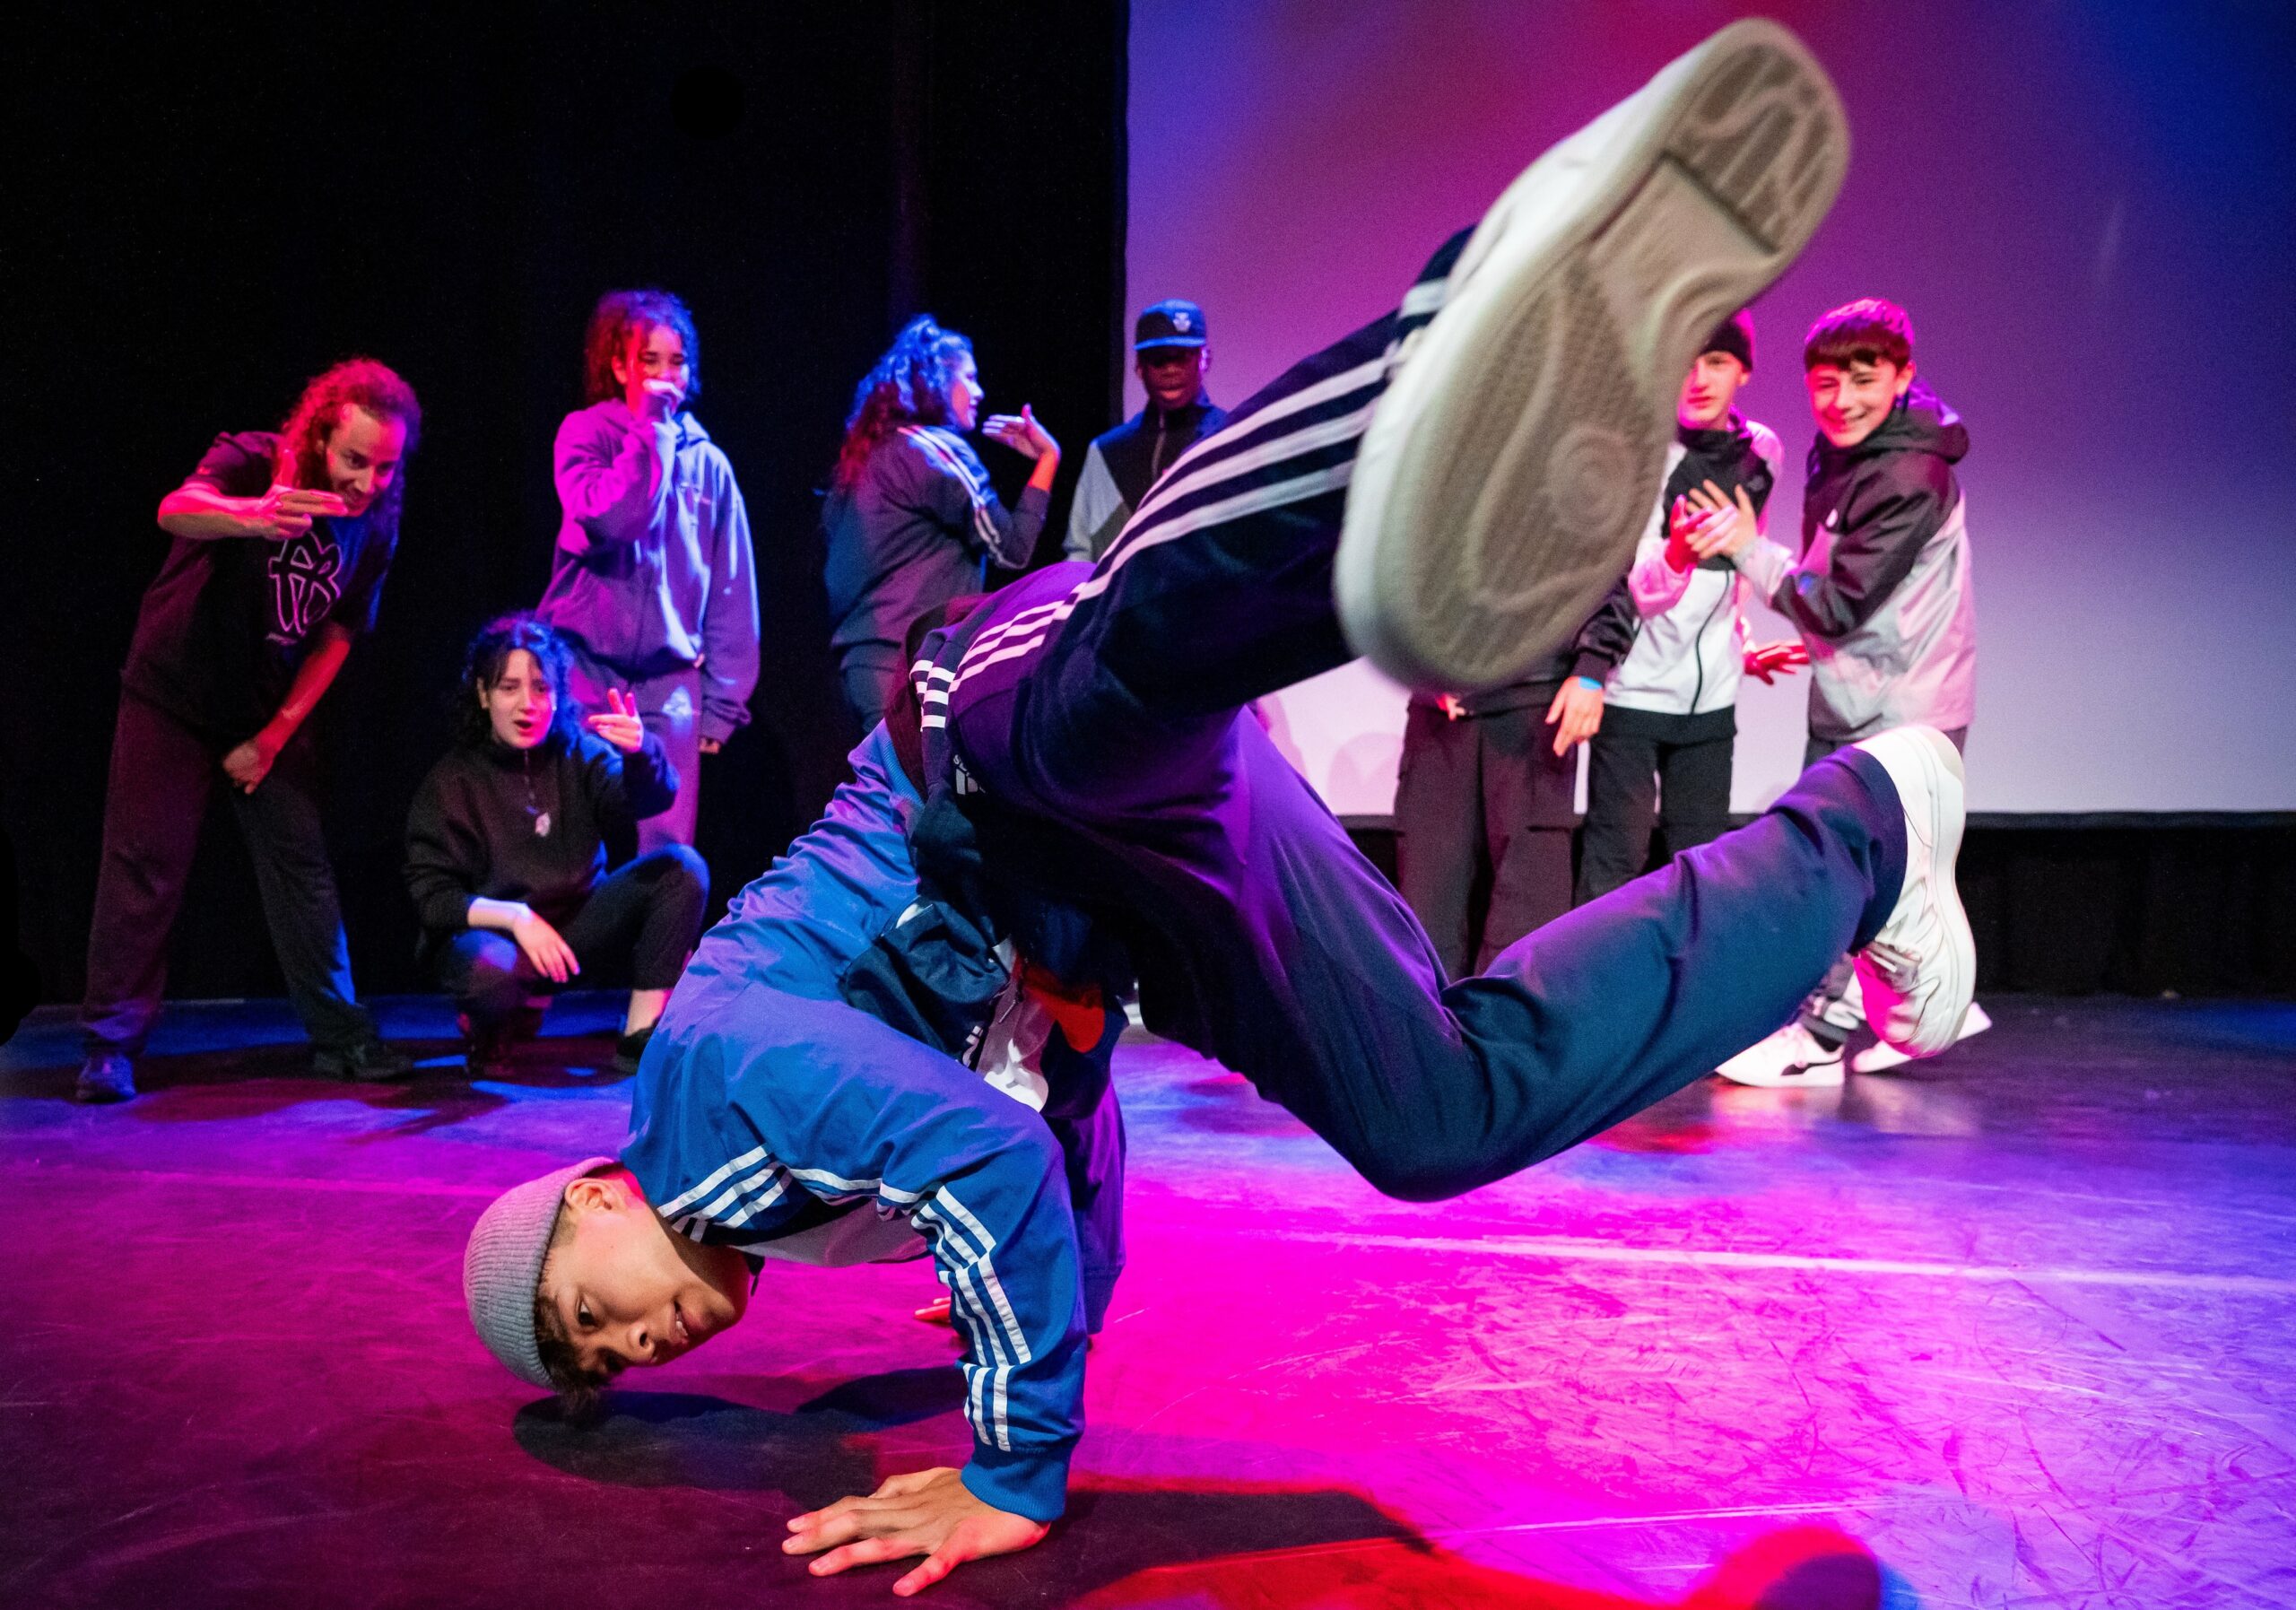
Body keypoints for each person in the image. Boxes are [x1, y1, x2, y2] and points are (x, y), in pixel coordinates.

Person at [462, 22, 1941, 1597]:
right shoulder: (796, 1216)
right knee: (1436, 1111)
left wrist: (1010, 1460)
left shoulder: (706, 1100)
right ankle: (1872, 830)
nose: (637, 1335)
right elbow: (1060, 1105)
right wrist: (1060, 1285)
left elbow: (991, 1163)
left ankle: (1438, 351)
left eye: (587, 1301)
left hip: (979, 751)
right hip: (1107, 893)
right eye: (611, 1362)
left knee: (1122, 675)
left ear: (601, 1193)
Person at [76, 359, 422, 1104]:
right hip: (173, 689)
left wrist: (273, 736)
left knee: (301, 865)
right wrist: (253, 515)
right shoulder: (255, 460)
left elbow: (337, 634)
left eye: (386, 466)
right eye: (355, 460)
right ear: (322, 438)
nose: (368, 481)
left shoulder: (379, 519)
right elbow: (177, 507)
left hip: (262, 707)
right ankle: (109, 1045)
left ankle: (341, 1037)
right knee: (145, 863)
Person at [1693, 297, 1986, 1086]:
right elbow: (1840, 587)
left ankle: (1819, 1041)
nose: (1841, 399)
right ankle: (1939, 1009)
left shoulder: (1907, 474)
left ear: (1903, 377)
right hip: (1870, 691)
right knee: (1893, 874)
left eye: (1864, 378)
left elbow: (1837, 600)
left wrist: (1746, 551)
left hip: (1902, 711)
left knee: (1846, 875)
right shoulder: (1845, 450)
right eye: (1825, 382)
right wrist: (1820, 638)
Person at [404, 614, 709, 1074]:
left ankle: (640, 1036)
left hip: (574, 939)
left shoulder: (578, 753)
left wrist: (641, 752)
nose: (528, 704)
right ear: (484, 696)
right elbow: (435, 901)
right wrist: (517, 916)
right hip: (499, 944)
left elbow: (643, 799)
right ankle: (490, 1030)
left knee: (681, 868)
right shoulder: (452, 782)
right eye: (509, 688)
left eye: (541, 689)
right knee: (490, 971)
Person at [1575, 312, 1805, 905]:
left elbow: (1737, 562)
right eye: (1685, 362)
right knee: (1613, 871)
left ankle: (1693, 998)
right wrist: (1676, 554)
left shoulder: (1763, 451)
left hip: (1712, 700)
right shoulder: (1640, 455)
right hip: (1634, 694)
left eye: (1718, 362)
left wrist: (1741, 642)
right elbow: (1634, 585)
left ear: (1745, 372)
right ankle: (1603, 996)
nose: (1698, 379)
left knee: (1701, 874)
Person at [537, 288, 759, 854]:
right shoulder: (586, 435)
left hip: (670, 688)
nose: (665, 375)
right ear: (618, 366)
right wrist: (652, 433)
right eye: (648, 361)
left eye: (676, 362)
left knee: (665, 856)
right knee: (574, 844)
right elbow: (616, 519)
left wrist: (721, 705)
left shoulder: (709, 464)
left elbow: (732, 587)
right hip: (586, 673)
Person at [1394, 565, 1635, 978]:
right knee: (1424, 914)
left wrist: (1592, 670)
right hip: (1440, 709)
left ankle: (1506, 1042)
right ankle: (1427, 1039)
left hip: (1534, 700)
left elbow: (1601, 562)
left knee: (1528, 922)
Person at [822, 316, 1061, 730]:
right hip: (907, 668)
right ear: (937, 382)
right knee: (922, 792)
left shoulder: (867, 457)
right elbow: (1012, 549)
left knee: (899, 792)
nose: (979, 391)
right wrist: (1048, 459)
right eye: (969, 378)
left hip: (864, 666)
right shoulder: (936, 451)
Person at [1063, 300, 1229, 563]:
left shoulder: (1229, 439)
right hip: (1126, 605)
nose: (1170, 369)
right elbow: (1081, 557)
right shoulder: (1107, 452)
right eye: (1158, 359)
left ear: (1205, 358)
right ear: (1139, 366)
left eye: (1182, 357)